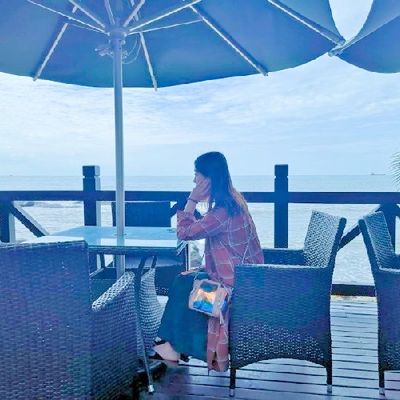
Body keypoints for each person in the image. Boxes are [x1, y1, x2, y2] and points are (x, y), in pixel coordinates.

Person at [152, 151, 263, 372]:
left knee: (192, 292)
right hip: (247, 280)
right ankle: (173, 346)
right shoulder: (234, 201)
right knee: (183, 281)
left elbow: (184, 233)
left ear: (208, 179)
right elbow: (202, 228)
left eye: (197, 175)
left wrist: (192, 200)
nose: (194, 181)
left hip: (232, 291)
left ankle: (175, 347)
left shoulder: (222, 212)